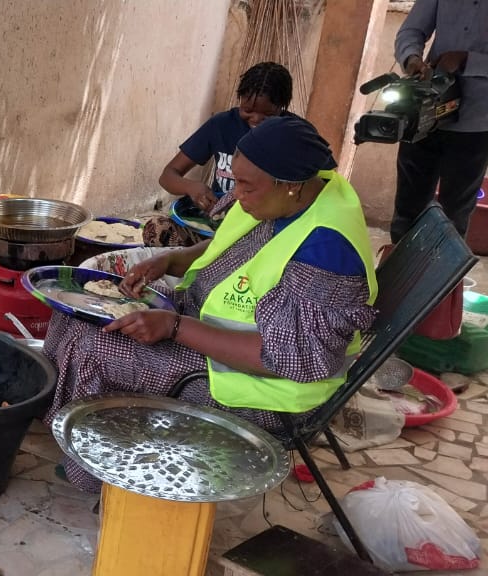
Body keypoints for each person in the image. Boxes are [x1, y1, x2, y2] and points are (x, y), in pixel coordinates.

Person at [45, 116, 378, 492]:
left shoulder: (327, 252)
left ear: (289, 186)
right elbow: (232, 244)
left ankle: (94, 471)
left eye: (246, 188)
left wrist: (174, 327)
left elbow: (288, 360)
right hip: (210, 332)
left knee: (95, 346)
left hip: (261, 389)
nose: (235, 195)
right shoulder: (294, 196)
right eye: (236, 181)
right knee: (78, 308)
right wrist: (171, 260)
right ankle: (64, 427)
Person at [142, 62, 295, 247]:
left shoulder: (294, 134)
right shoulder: (221, 125)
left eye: (267, 116)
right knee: (157, 230)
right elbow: (168, 175)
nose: (256, 120)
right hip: (214, 228)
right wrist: (192, 188)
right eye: (247, 110)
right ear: (240, 100)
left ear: (282, 107)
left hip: (263, 234)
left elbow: (320, 186)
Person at [389, 0, 488, 243]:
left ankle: (441, 278)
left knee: (454, 216)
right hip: (426, 112)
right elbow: (412, 30)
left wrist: (466, 59)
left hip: (476, 123)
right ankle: (400, 275)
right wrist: (412, 59)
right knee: (407, 210)